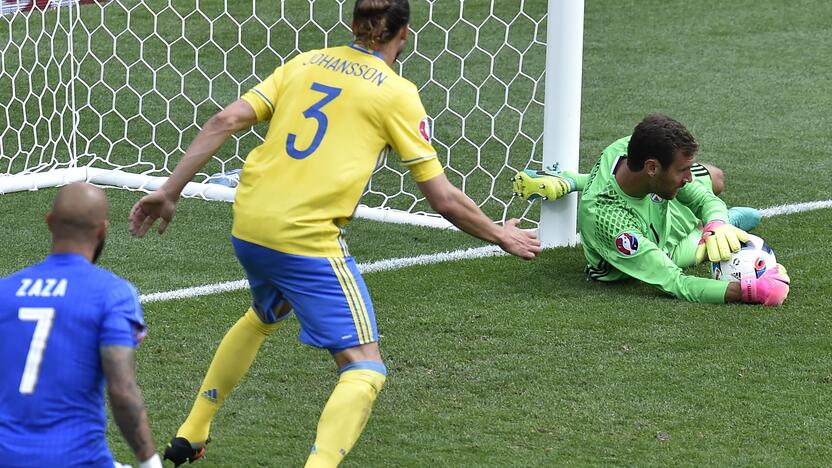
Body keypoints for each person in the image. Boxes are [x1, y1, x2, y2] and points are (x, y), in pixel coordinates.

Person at [128, 0, 541, 466]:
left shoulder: (305, 62)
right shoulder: (396, 92)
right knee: (364, 368)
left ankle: (192, 431)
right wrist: (500, 235)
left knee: (266, 313)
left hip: (250, 224)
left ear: (352, 24)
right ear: (403, 34)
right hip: (304, 240)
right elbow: (442, 199)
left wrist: (169, 191)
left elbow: (225, 120)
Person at [513, 114, 790, 306]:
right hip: (650, 253)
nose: (689, 177)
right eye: (683, 170)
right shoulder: (611, 222)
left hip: (663, 209)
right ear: (652, 167)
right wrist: (749, 291)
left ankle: (571, 179)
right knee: (694, 249)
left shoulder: (627, 149)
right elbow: (676, 284)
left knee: (715, 179)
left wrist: (716, 222)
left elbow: (704, 199)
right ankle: (713, 231)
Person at [0, 182, 162, 468]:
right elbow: (122, 389)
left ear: (49, 222)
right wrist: (149, 461)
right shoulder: (112, 294)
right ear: (102, 230)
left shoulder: (5, 291)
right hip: (77, 459)